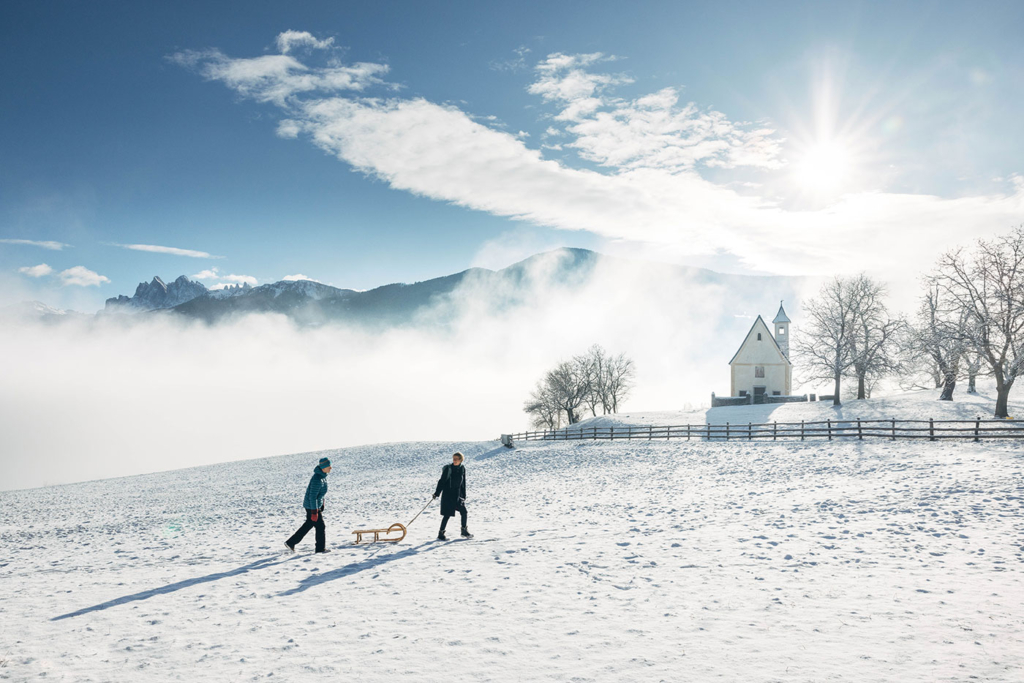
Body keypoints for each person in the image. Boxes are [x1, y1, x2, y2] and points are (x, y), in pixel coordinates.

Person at [285, 457, 332, 553]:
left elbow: (320, 494)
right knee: (320, 526)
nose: (330, 468)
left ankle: (291, 542)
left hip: (314, 505)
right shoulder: (317, 479)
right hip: (311, 506)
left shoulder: (322, 476)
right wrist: (314, 512)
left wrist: (322, 504)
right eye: (328, 466)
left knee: (309, 524)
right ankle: (320, 549)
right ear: (323, 467)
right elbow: (312, 496)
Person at [433, 451, 472, 540]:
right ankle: (441, 533)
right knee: (447, 515)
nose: (454, 460)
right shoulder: (448, 468)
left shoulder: (462, 469)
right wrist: (437, 493)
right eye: (453, 459)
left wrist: (463, 496)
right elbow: (442, 481)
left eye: (456, 459)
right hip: (448, 495)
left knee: (464, 512)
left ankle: (464, 531)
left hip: (457, 495)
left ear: (460, 460)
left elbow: (463, 483)